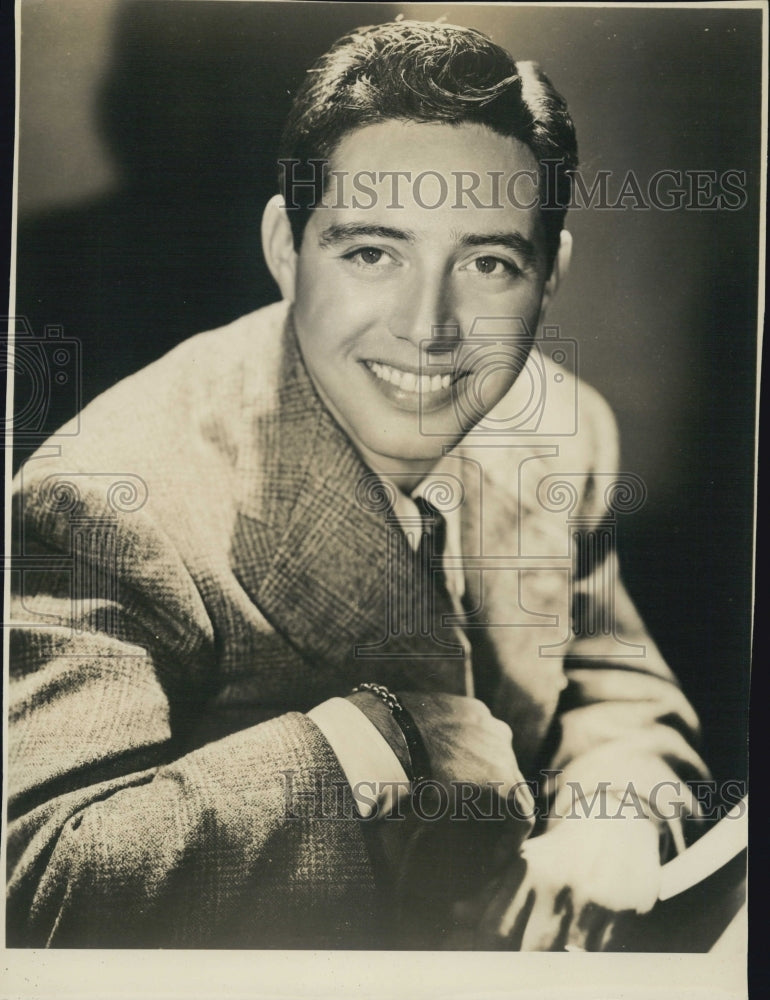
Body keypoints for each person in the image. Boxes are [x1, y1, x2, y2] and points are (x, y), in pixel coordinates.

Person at [7, 20, 708, 950]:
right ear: (285, 249)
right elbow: (40, 894)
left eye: (489, 263)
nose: (429, 328)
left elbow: (615, 683)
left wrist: (609, 812)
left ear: (550, 277)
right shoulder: (107, 499)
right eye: (373, 253)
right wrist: (377, 742)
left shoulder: (564, 428)